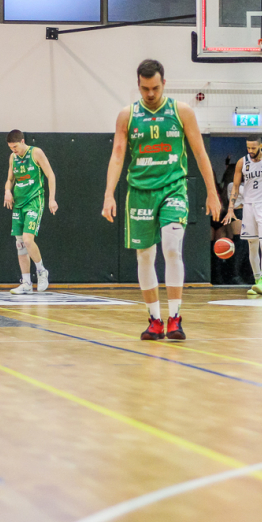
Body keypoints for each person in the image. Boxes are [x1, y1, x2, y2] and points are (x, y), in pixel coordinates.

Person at [102, 59, 221, 340]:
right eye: (145, 89)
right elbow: (117, 155)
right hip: (140, 192)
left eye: (155, 88)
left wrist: (212, 192)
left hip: (173, 188)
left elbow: (200, 152)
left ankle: (175, 317)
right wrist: (109, 194)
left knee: (171, 248)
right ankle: (154, 320)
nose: (150, 93)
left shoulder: (182, 111)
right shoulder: (127, 115)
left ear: (164, 83)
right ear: (138, 86)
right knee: (145, 255)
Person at [3, 130, 57, 295]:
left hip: (34, 200)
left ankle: (41, 271)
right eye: (11, 148)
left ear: (22, 141)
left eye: (15, 147)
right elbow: (10, 179)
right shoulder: (13, 157)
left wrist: (52, 199)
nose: (14, 150)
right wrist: (7, 191)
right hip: (18, 203)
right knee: (20, 244)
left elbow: (50, 175)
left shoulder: (36, 152)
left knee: (27, 240)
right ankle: (26, 282)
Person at [223, 136, 262, 296]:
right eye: (248, 148)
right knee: (252, 245)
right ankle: (257, 280)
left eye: (253, 148)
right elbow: (235, 187)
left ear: (260, 146)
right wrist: (231, 208)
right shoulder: (242, 162)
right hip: (248, 206)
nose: (250, 151)